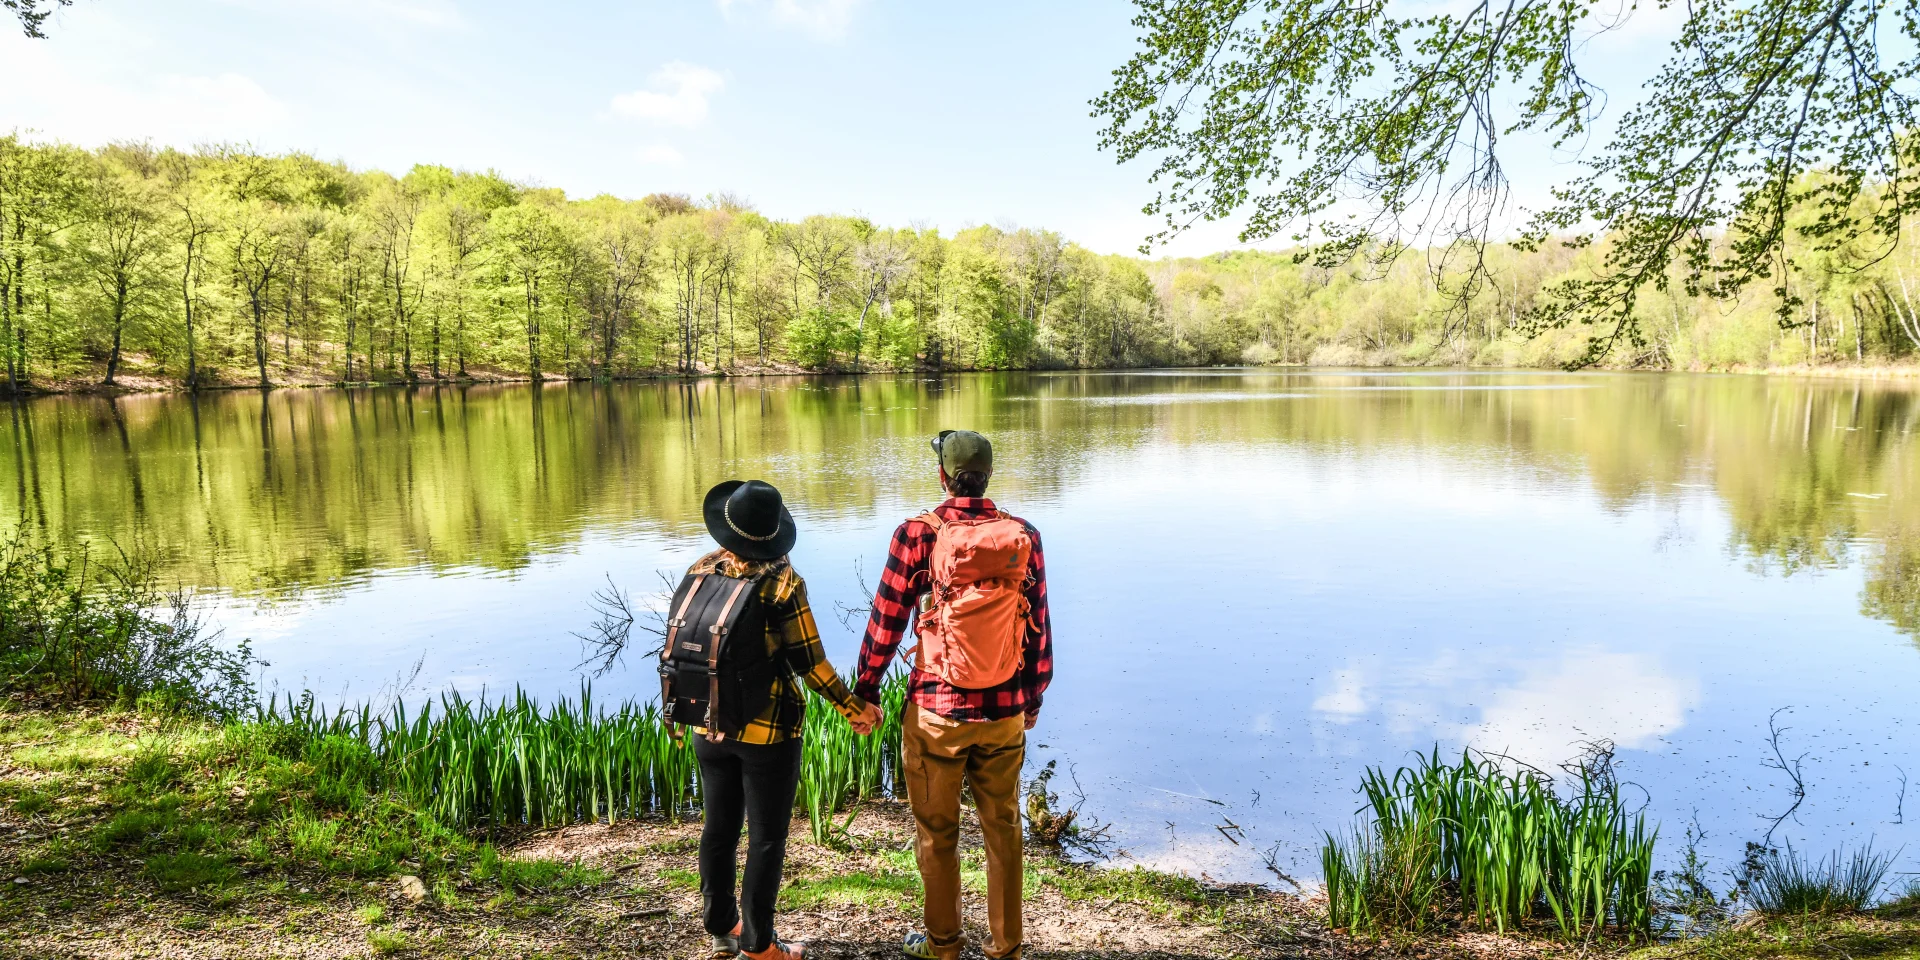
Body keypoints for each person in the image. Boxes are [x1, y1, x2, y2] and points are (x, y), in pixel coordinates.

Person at [854, 431, 1053, 960]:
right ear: (988, 475)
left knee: (937, 833)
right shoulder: (1023, 534)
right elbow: (1038, 625)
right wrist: (1032, 697)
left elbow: (886, 622)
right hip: (1004, 711)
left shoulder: (917, 534)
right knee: (1004, 829)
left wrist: (865, 691)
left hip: (936, 712)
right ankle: (1006, 946)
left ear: (943, 475)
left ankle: (944, 945)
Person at [689, 480, 884, 960]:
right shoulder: (783, 584)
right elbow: (810, 664)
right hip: (769, 730)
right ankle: (759, 946)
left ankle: (721, 926)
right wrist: (855, 709)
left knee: (719, 827)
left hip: (708, 722)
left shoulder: (700, 569)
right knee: (767, 838)